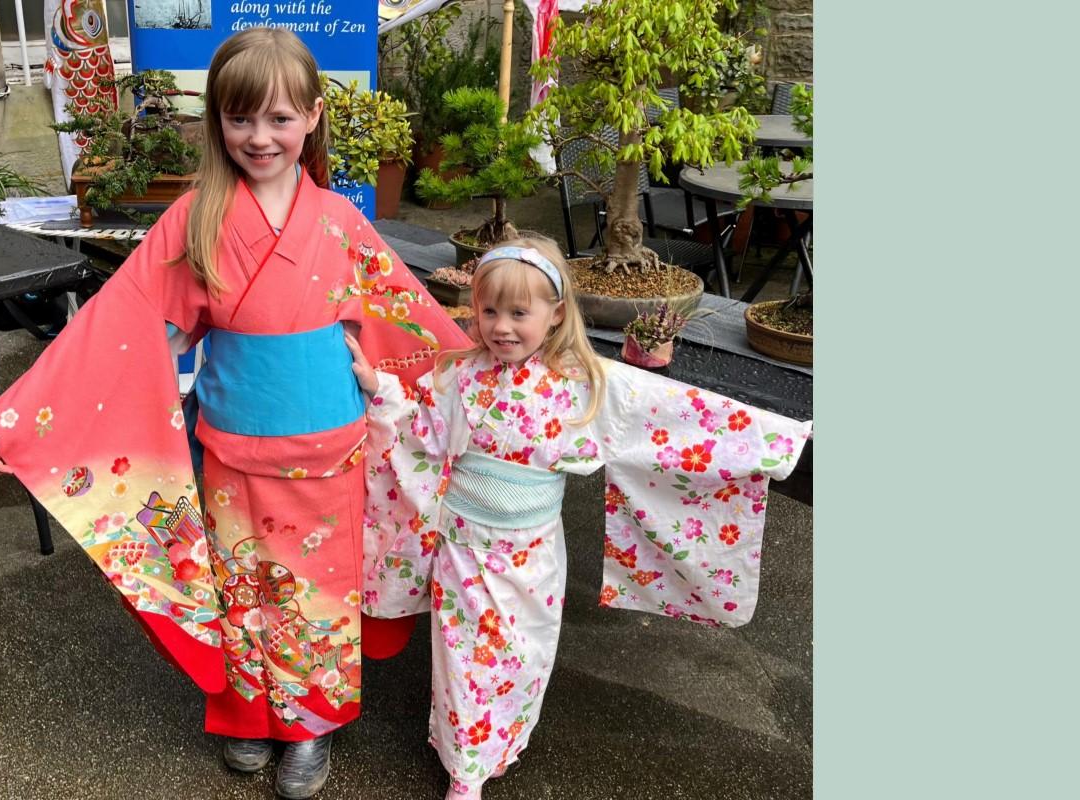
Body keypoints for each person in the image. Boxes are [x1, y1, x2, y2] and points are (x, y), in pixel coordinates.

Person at [0, 27, 469, 799]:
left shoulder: (341, 222)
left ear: (311, 116)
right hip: (233, 448)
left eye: (279, 118)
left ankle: (307, 728)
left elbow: (407, 324)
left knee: (315, 592)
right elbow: (127, 323)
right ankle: (246, 714)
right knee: (242, 590)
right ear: (218, 122)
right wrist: (32, 415)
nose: (260, 136)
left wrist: (491, 379)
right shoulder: (194, 219)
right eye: (241, 119)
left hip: (330, 448)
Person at [346, 237, 812, 800]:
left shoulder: (584, 384)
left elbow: (672, 414)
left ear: (556, 312)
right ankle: (464, 771)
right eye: (489, 310)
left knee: (523, 658)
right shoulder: (459, 376)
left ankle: (500, 743)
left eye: (520, 313)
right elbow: (418, 441)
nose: (502, 327)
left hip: (533, 556)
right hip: (464, 550)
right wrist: (383, 392)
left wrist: (778, 439)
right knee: (462, 660)